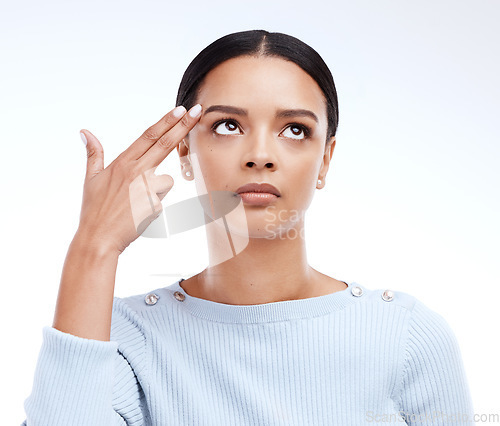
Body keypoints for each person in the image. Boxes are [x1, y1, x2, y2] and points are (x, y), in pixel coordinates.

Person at [21, 29, 475, 425]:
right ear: (184, 153)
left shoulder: (406, 336)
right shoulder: (121, 337)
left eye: (294, 129)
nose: (260, 154)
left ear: (326, 160)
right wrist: (93, 246)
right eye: (227, 125)